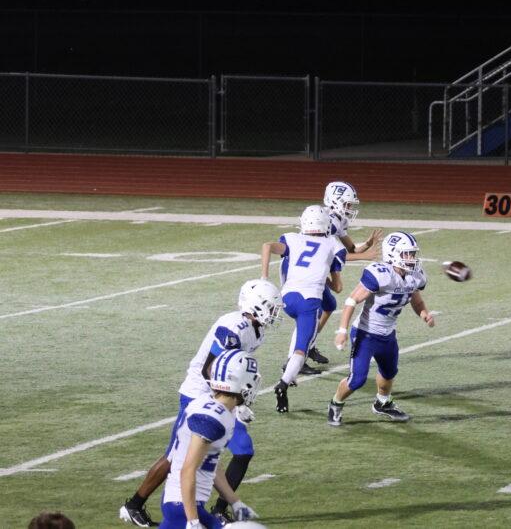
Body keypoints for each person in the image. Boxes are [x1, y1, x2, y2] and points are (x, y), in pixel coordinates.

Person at [119, 280, 282, 527]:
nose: (274, 313)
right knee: (180, 456)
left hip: (220, 396)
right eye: (270, 307)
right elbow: (210, 369)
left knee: (212, 453)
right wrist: (235, 403)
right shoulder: (234, 327)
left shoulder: (255, 330)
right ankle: (137, 505)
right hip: (202, 394)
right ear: (256, 305)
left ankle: (219, 507)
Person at [328, 232, 434, 425]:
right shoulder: (380, 274)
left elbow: (416, 300)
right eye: (407, 254)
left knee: (389, 372)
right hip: (365, 333)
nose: (411, 258)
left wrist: (424, 314)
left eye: (412, 254)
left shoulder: (414, 276)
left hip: (387, 334)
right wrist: (342, 331)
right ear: (392, 254)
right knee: (357, 380)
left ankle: (383, 403)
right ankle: (336, 404)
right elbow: (351, 301)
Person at [280, 182, 381, 376]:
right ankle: (294, 359)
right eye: (347, 204)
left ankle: (308, 345)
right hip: (299, 268)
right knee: (309, 312)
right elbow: (335, 254)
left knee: (329, 305)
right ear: (334, 201)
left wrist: (367, 245)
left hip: (313, 264)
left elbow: (350, 249)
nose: (350, 208)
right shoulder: (329, 221)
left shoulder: (338, 220)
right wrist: (365, 256)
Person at [160, 350, 262, 529]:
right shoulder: (212, 417)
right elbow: (188, 470)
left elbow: (210, 461)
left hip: (184, 504)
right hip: (183, 506)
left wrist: (234, 501)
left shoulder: (217, 406)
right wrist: (193, 522)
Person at [261, 205, 346, 414]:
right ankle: (283, 383)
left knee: (302, 331)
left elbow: (267, 246)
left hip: (287, 298)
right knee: (302, 348)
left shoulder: (292, 238)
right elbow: (338, 287)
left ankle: (289, 373)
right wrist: (323, 274)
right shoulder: (333, 244)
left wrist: (264, 277)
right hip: (309, 301)